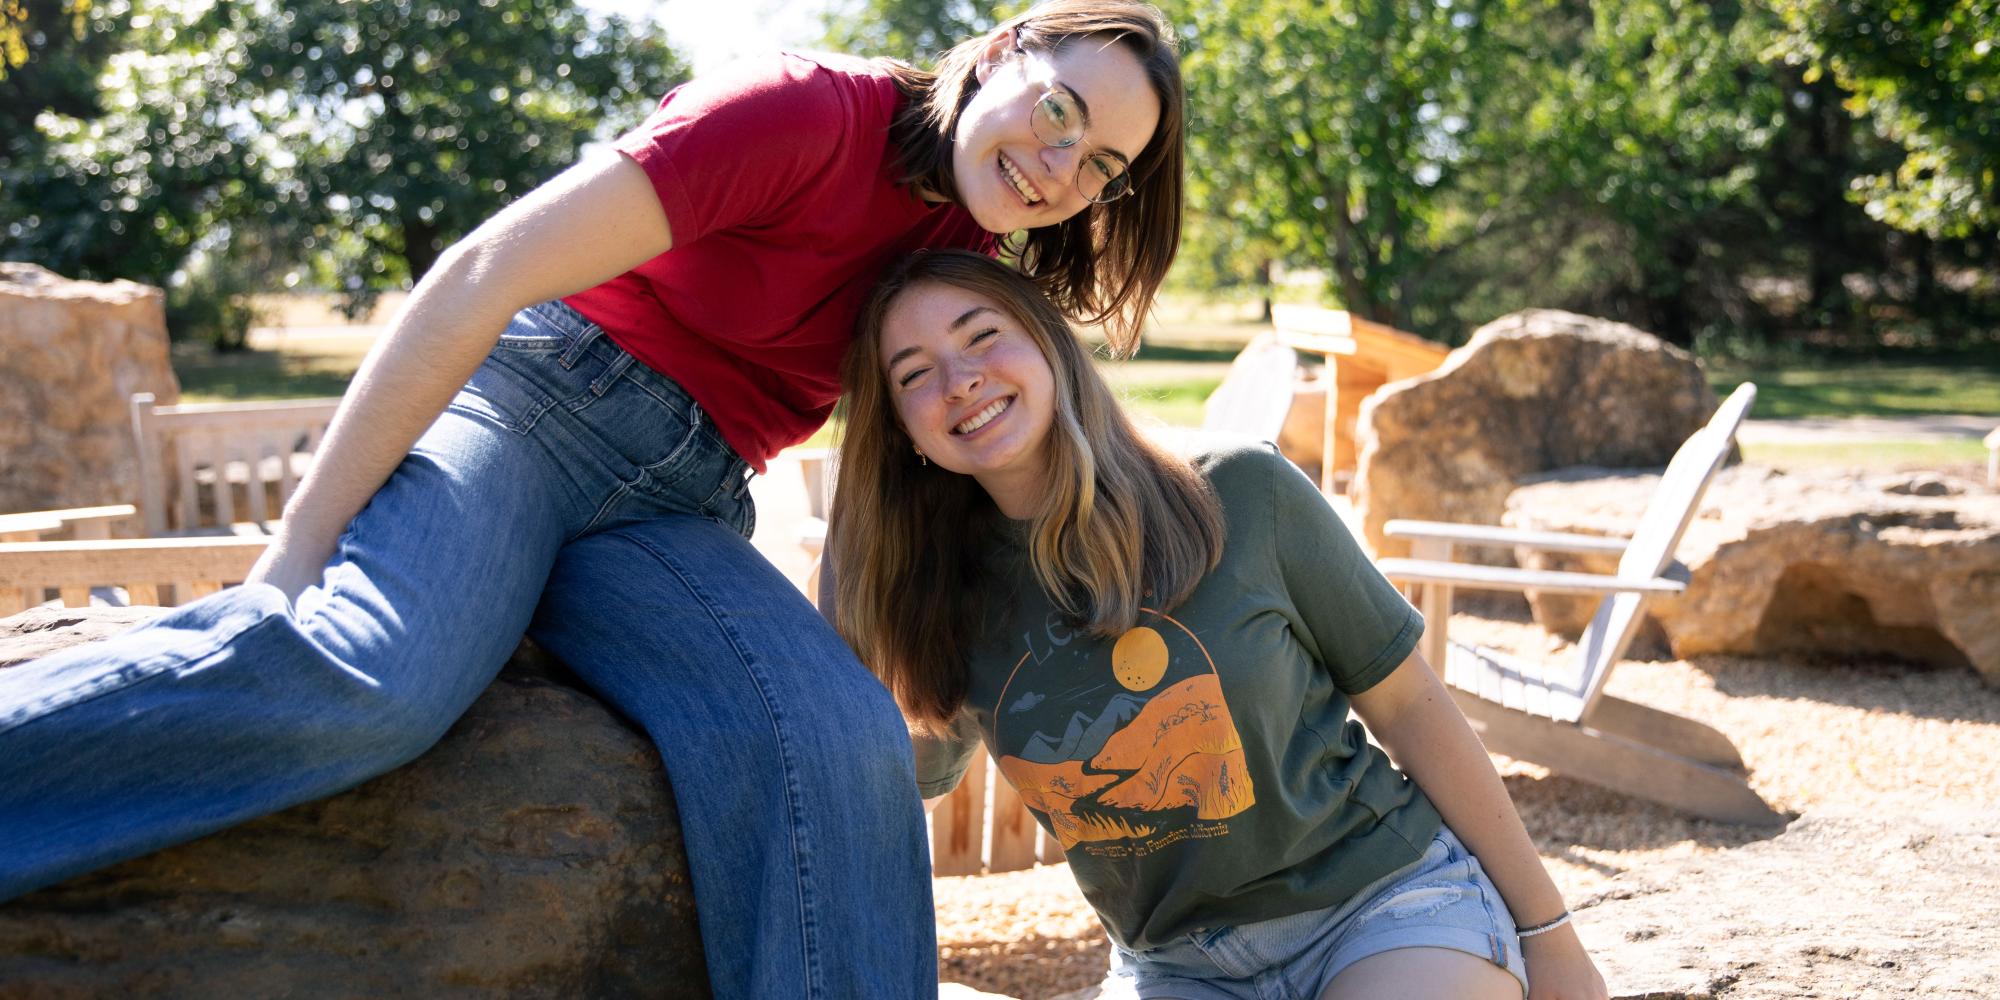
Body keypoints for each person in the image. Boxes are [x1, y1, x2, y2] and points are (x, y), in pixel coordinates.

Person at [0, 4, 1185, 996]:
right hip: (532, 404)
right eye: (1062, 112)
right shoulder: (801, 113)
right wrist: (293, 556)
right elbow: (483, 270)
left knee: (833, 736)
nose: (1059, 168)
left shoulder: (963, 250)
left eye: (1098, 170)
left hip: (681, 504)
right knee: (375, 681)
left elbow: (891, 465)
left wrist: (859, 668)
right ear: (1005, 48)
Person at [822, 250, 1611, 1000]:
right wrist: (856, 528)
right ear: (902, 432)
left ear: (1050, 344)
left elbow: (1410, 707)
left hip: (1383, 908)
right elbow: (877, 792)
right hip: (1176, 969)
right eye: (916, 376)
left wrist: (1551, 933)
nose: (960, 381)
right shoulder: (939, 604)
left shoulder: (1240, 492)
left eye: (982, 336)